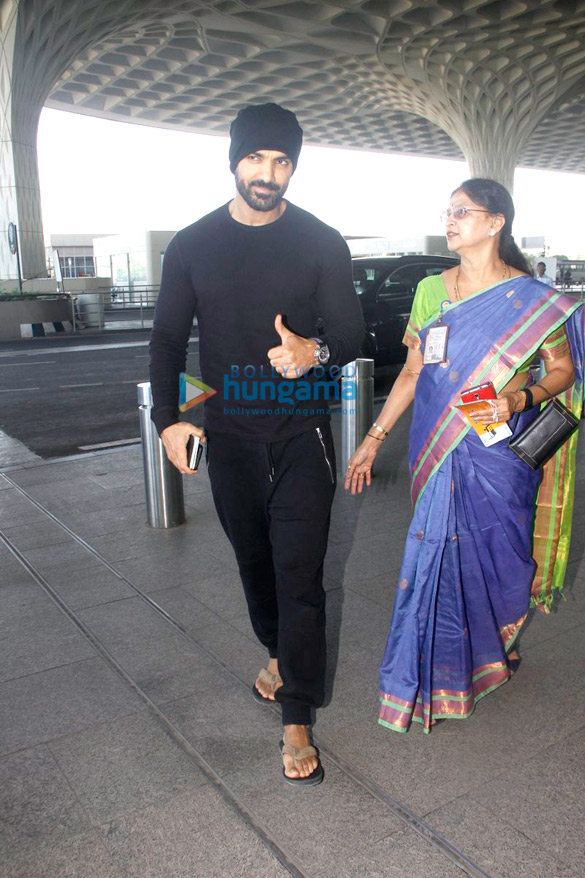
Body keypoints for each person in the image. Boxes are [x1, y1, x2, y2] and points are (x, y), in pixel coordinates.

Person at [149, 103, 364, 780]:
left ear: (292, 167)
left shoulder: (321, 240)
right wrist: (170, 416)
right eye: (255, 159)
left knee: (299, 574)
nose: (268, 174)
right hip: (232, 435)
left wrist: (314, 350)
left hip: (302, 433)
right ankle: (276, 653)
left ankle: (295, 720)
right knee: (254, 565)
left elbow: (354, 335)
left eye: (280, 162)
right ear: (234, 161)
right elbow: (165, 338)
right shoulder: (192, 244)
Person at [344, 178, 584, 733]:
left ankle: (494, 642)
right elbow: (411, 371)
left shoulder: (533, 300)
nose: (450, 220)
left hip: (498, 452)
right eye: (447, 211)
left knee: (503, 555)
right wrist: (373, 438)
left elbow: (564, 372)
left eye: (463, 211)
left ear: (496, 222)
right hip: (438, 447)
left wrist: (517, 399)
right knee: (433, 557)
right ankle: (426, 676)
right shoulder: (432, 290)